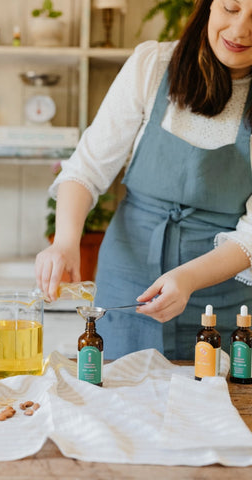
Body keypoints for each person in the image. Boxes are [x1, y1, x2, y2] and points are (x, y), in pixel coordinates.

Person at [35, 0, 252, 360]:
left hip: (221, 297)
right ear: (208, 6)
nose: (241, 29)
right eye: (231, 8)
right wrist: (65, 241)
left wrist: (188, 278)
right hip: (127, 282)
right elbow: (87, 167)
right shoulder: (152, 65)